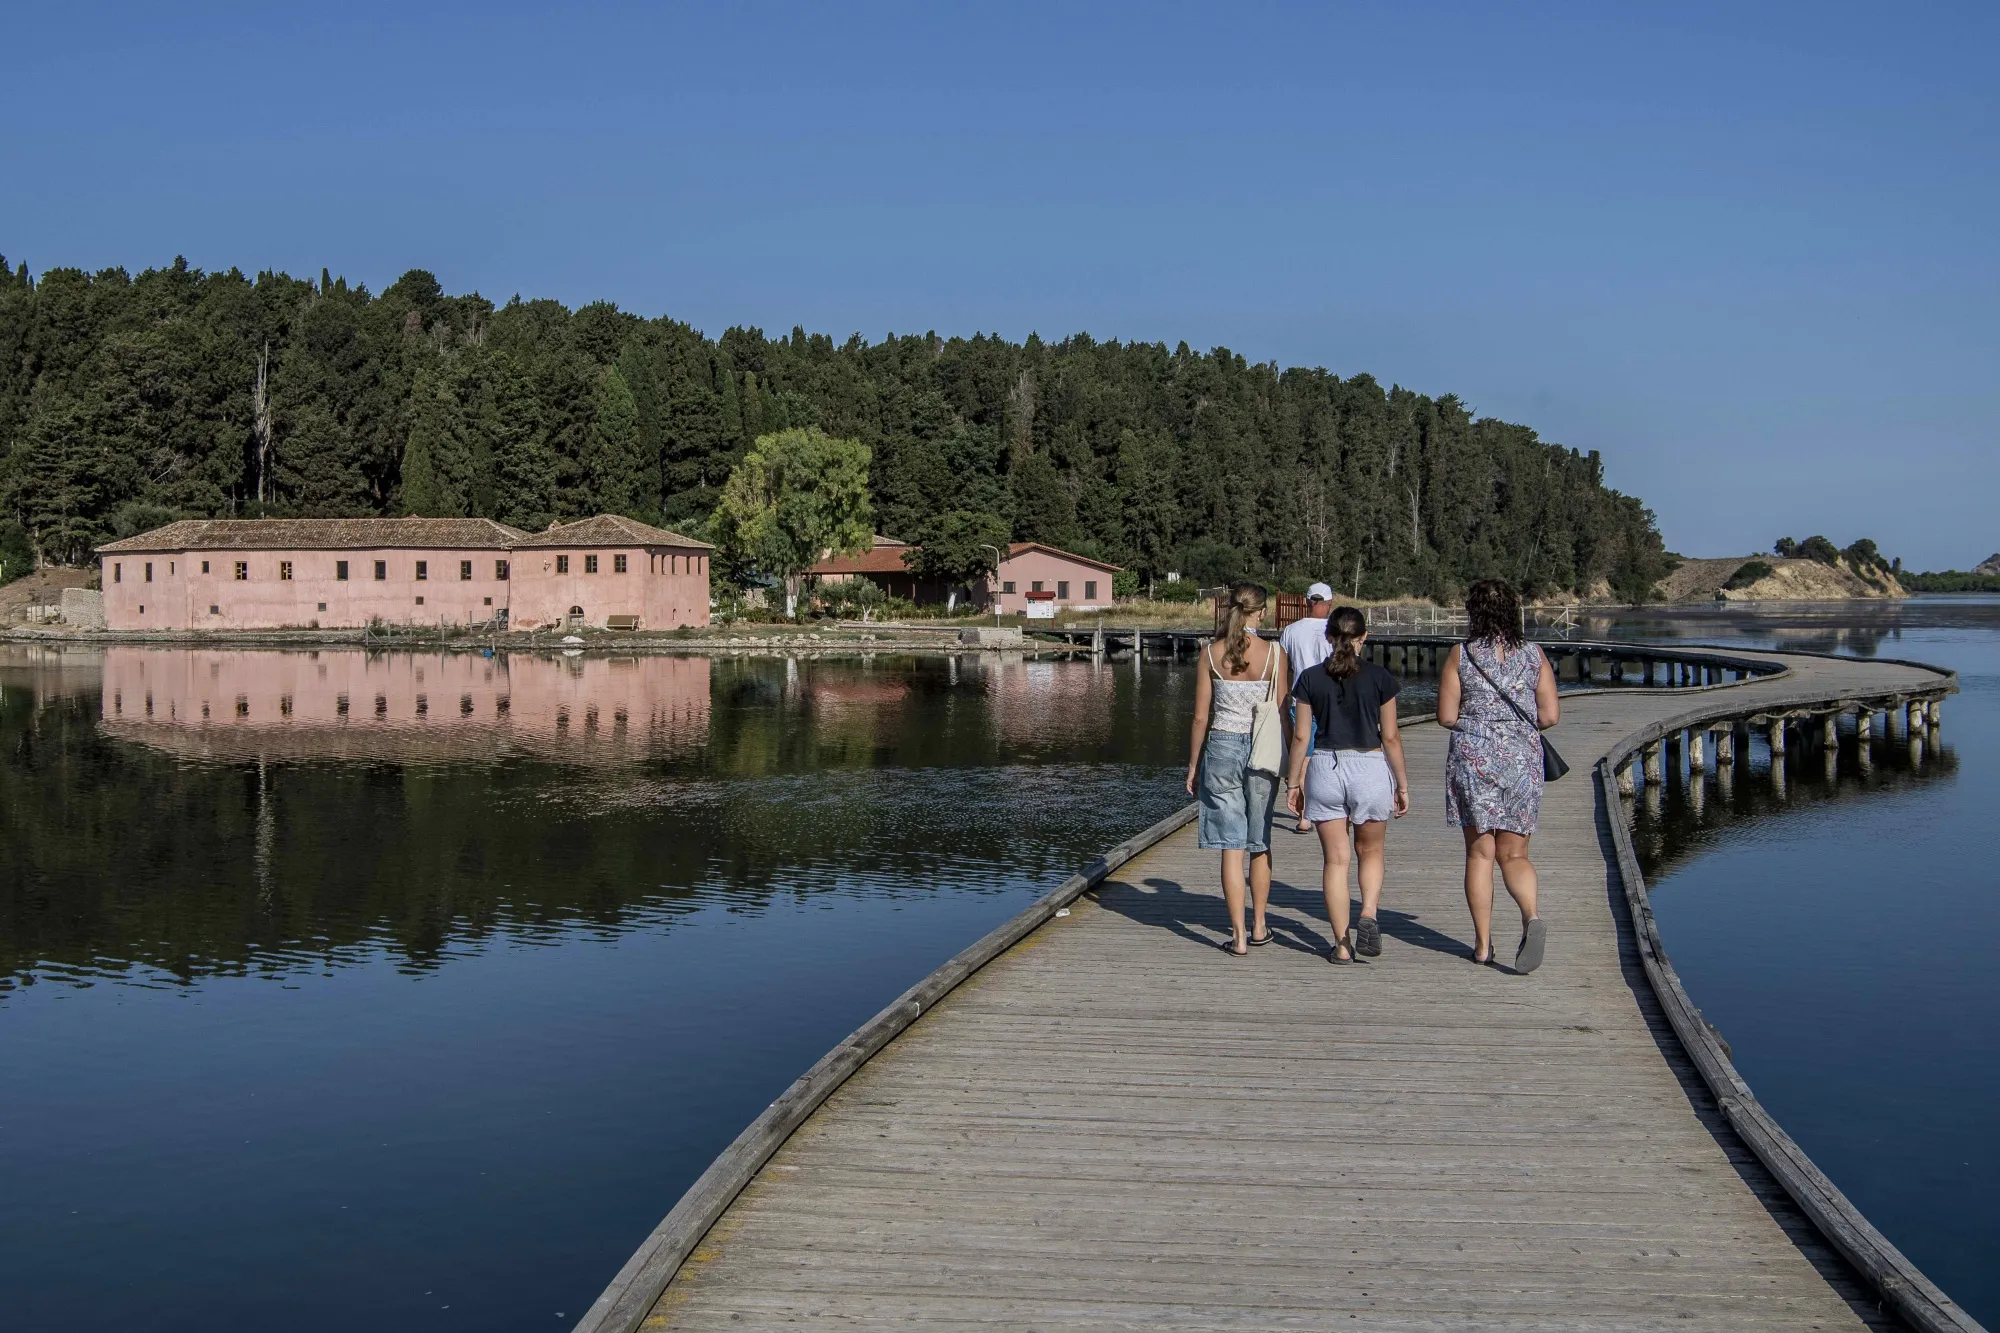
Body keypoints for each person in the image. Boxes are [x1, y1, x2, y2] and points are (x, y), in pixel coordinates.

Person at [1438, 578, 1559, 973]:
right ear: (1512, 610)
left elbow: (1446, 717)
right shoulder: (1534, 654)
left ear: (1474, 612)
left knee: (1480, 853)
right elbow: (1550, 716)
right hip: (1521, 760)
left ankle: (1483, 946)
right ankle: (1531, 916)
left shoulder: (1462, 654)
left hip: (1474, 757)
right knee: (1515, 853)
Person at [1284, 606, 1409, 963]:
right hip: (1369, 766)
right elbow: (1392, 738)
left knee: (1335, 862)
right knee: (1370, 852)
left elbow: (1301, 737)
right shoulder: (1380, 678)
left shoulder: (1309, 678)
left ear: (1328, 637)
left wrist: (1294, 783)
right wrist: (1401, 785)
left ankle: (1341, 944)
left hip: (1325, 766)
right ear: (1363, 637)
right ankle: (1368, 911)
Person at [1186, 583, 1289, 956]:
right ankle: (1261, 924)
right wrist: (1291, 763)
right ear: (1260, 612)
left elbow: (1200, 717)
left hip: (1222, 749)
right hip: (1263, 751)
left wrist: (1194, 764)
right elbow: (1282, 713)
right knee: (1259, 841)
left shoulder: (1210, 654)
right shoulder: (1276, 654)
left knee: (1232, 846)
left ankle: (1240, 936)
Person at [1277, 582, 1337, 833]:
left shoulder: (1290, 631)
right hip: (1332, 699)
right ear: (1330, 604)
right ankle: (1330, 807)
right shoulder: (1335, 630)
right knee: (1331, 755)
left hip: (1302, 698)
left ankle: (1304, 815)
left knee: (1303, 756)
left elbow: (1286, 669)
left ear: (1306, 603)